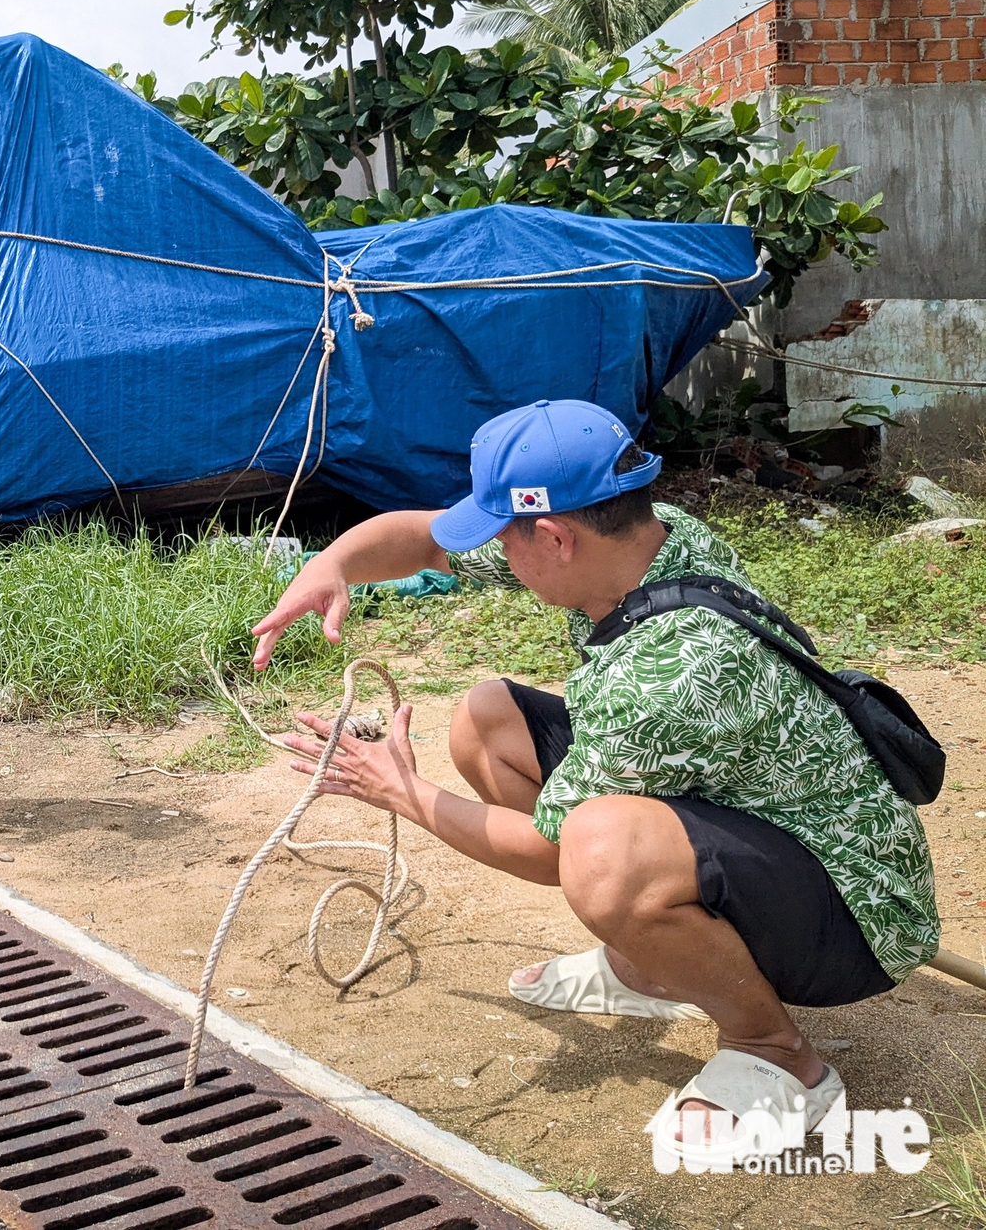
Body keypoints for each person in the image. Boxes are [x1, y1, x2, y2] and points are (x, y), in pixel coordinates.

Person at [251, 398, 938, 1125]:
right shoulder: (655, 539)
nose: (497, 558)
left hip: (857, 916)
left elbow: (552, 853)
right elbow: (423, 540)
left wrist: (402, 791)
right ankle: (653, 967)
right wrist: (332, 566)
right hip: (764, 824)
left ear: (554, 537)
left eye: (503, 540)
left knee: (600, 848)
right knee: (490, 721)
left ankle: (775, 1052)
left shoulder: (664, 674)